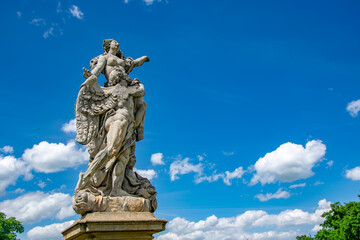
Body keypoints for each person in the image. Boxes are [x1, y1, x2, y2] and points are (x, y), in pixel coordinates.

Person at [75, 40, 149, 197]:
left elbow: (134, 64)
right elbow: (96, 72)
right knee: (112, 149)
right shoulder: (105, 59)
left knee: (123, 157)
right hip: (118, 115)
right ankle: (86, 177)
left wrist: (143, 59)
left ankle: (116, 189)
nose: (117, 43)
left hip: (129, 120)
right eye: (114, 42)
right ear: (108, 46)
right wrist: (90, 78)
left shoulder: (128, 83)